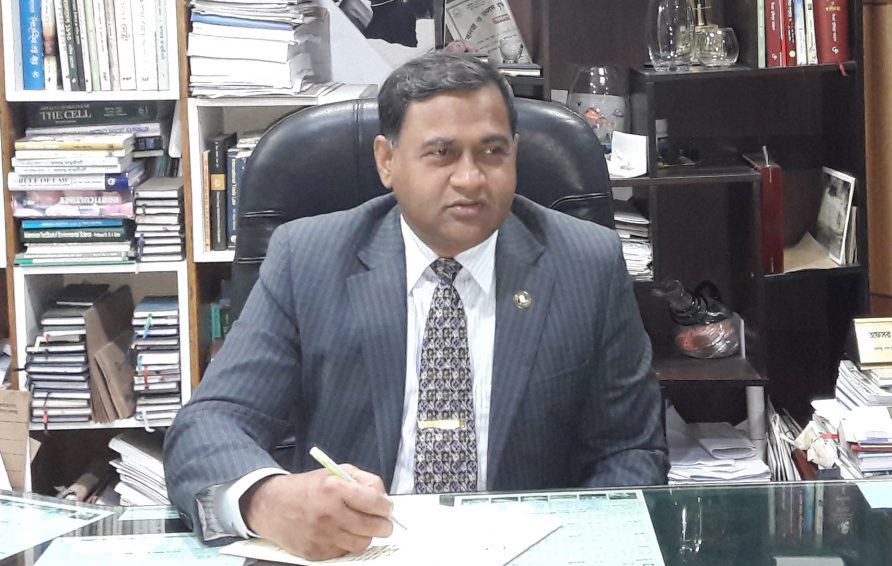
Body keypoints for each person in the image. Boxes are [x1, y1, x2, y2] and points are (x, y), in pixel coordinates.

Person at [164, 52, 667, 560]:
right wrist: (265, 500)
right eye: (442, 153)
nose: (470, 179)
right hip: (357, 553)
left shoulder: (586, 263)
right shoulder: (308, 258)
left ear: (515, 153)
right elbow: (210, 424)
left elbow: (631, 451)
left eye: (492, 151)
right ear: (387, 161)